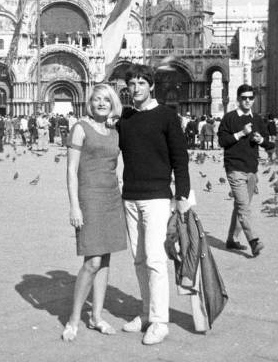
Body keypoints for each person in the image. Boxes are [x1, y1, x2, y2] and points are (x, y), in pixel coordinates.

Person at [118, 64, 190, 345]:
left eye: (140, 83)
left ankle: (160, 321)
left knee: (156, 260)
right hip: (130, 197)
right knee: (139, 259)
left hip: (158, 197)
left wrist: (182, 196)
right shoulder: (125, 118)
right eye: (131, 84)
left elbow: (180, 159)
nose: (135, 88)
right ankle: (147, 312)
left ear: (151, 86)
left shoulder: (167, 117)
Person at [62, 84, 126, 342]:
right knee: (92, 262)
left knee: (106, 260)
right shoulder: (80, 127)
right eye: (97, 99)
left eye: (106, 100)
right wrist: (74, 205)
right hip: (89, 197)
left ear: (113, 104)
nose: (101, 103)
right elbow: (70, 170)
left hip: (112, 197)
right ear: (90, 102)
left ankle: (96, 316)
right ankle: (73, 319)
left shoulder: (113, 131)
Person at [218, 84, 273, 257]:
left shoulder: (257, 119)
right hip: (234, 168)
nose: (247, 101)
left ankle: (231, 239)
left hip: (251, 170)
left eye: (250, 98)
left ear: (254, 100)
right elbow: (222, 141)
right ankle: (253, 241)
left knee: (241, 207)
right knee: (243, 206)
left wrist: (261, 139)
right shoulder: (229, 118)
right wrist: (241, 133)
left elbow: (270, 145)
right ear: (238, 99)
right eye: (244, 98)